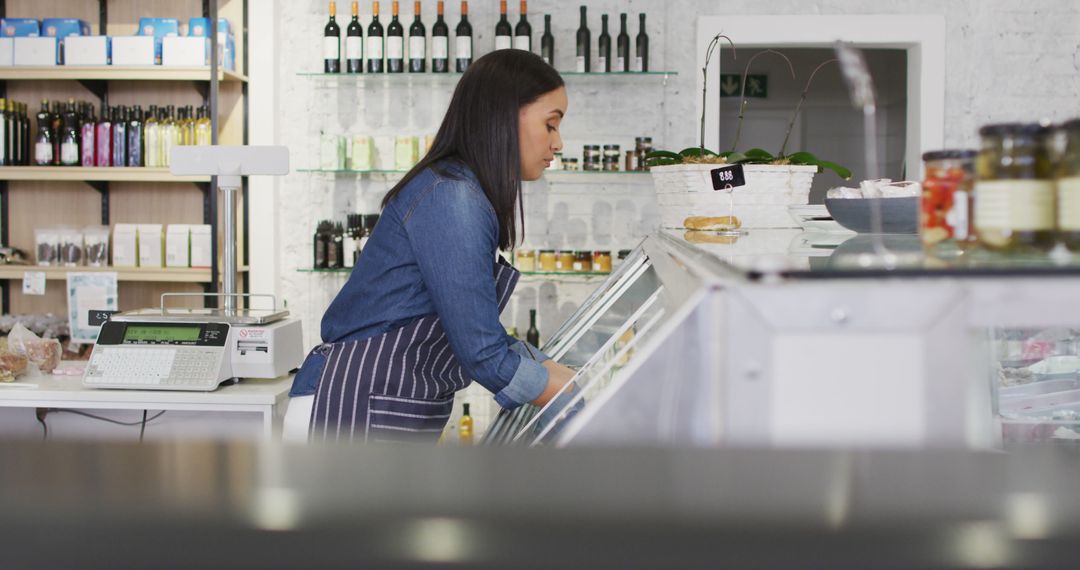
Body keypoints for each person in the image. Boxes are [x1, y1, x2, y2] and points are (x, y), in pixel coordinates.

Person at [285, 49, 576, 443]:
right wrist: (572, 394)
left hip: (374, 409)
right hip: (349, 411)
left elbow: (476, 330)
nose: (557, 143)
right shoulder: (452, 197)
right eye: (551, 125)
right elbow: (484, 353)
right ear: (506, 116)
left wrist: (559, 375)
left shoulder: (461, 192)